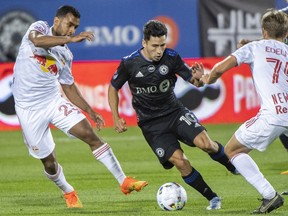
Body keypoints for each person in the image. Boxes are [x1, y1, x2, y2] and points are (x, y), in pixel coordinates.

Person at [12, 5, 147, 209]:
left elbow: (68, 86)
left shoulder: (66, 55)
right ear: (56, 21)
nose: (71, 30)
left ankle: (124, 181)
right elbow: (37, 41)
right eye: (69, 24)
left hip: (52, 101)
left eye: (75, 27)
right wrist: (70, 39)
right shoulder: (39, 28)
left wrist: (90, 111)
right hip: (28, 108)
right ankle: (68, 191)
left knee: (89, 133)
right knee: (49, 163)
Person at [108, 19, 238, 211]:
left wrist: (199, 77)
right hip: (151, 125)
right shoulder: (129, 63)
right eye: (154, 46)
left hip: (175, 113)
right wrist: (115, 116)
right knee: (181, 162)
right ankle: (213, 198)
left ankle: (234, 166)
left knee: (206, 144)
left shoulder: (172, 58)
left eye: (162, 45)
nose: (159, 50)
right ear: (144, 43)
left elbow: (196, 83)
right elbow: (113, 87)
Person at [200, 8, 287, 214]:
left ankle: (269, 195)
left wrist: (206, 79)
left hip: (274, 114)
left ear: (263, 30)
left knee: (233, 150)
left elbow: (220, 68)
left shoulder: (254, 47)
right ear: (285, 33)